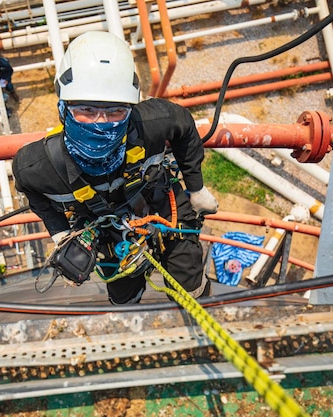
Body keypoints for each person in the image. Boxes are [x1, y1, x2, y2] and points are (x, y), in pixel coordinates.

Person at [11, 31, 218, 304]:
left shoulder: (153, 122)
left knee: (189, 286)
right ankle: (130, 302)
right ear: (63, 107)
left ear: (130, 109)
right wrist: (60, 231)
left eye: (114, 111)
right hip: (104, 231)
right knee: (122, 293)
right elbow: (34, 195)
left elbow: (185, 127)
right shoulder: (37, 166)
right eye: (86, 110)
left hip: (162, 208)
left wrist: (196, 187)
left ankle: (193, 303)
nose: (101, 122)